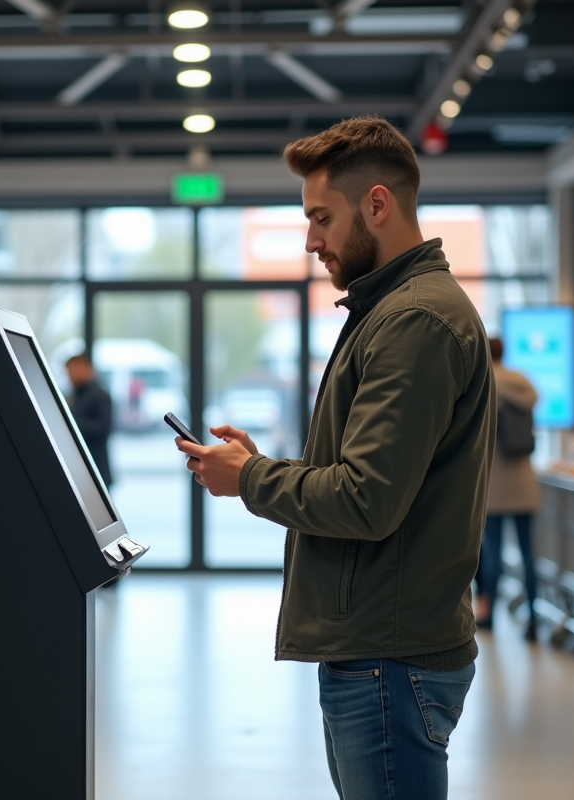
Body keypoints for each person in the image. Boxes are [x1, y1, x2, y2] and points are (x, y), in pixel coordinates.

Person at [174, 116, 495, 800]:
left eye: (322, 216)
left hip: (389, 652)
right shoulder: (392, 311)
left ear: (377, 204)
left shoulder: (414, 321)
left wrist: (251, 479)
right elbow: (369, 473)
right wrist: (262, 466)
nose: (312, 239)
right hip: (384, 643)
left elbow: (366, 499)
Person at [475, 337, 540, 639]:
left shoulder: (484, 382)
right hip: (524, 482)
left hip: (494, 483)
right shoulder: (522, 382)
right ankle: (534, 618)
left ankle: (489, 617)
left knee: (492, 552)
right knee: (528, 553)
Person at [65, 352, 114, 486]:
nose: (70, 376)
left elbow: (104, 428)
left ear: (85, 368)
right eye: (68, 373)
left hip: (96, 467)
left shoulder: (100, 395)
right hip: (78, 468)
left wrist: (72, 421)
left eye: (72, 371)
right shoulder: (74, 394)